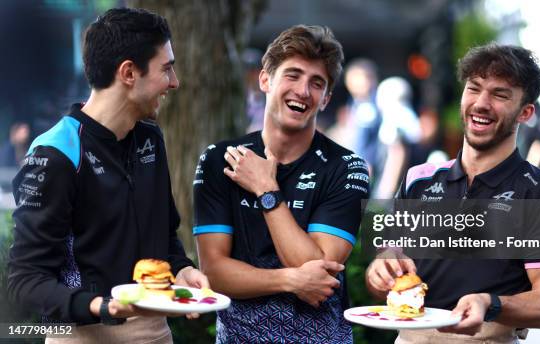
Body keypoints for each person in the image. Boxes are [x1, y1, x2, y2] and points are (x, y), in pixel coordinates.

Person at [8, 8, 208, 343]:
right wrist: (102, 307)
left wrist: (183, 269)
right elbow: (26, 280)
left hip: (155, 331)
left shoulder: (151, 139)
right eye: (167, 68)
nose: (175, 82)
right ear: (129, 72)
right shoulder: (55, 152)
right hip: (80, 333)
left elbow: (165, 237)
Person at [366, 44, 540, 343]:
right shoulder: (418, 179)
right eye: (474, 88)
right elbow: (390, 263)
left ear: (525, 112)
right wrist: (382, 267)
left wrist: (489, 304)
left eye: (500, 95)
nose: (481, 103)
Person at [193, 25, 369, 343]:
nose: (303, 91)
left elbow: (318, 268)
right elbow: (214, 272)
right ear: (265, 79)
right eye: (292, 75)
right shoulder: (221, 159)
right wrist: (290, 280)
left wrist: (267, 190)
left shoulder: (346, 167)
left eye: (317, 83)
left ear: (327, 98)